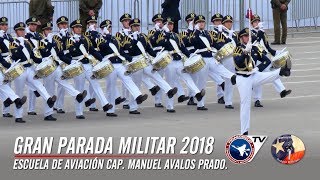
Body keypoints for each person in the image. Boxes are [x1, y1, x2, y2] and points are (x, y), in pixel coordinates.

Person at [233, 28, 291, 135]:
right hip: (242, 79)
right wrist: (245, 52)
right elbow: (238, 63)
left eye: (248, 36)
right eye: (245, 36)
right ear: (241, 38)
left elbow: (266, 60)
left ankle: (282, 71)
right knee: (245, 105)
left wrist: (258, 69)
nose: (247, 38)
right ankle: (244, 131)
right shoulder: (237, 49)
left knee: (269, 75)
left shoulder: (254, 48)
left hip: (253, 75)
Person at [96, 19, 149, 117]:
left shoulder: (114, 38)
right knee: (110, 87)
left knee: (128, 79)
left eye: (110, 27)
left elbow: (120, 51)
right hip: (109, 64)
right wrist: (106, 36)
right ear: (102, 29)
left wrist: (129, 58)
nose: (109, 29)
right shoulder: (99, 38)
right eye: (106, 27)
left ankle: (138, 96)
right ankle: (110, 110)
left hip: (119, 63)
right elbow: (103, 47)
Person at [37, 22, 88, 120]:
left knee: (64, 82)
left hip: (56, 67)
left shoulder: (55, 42)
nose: (49, 31)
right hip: (47, 69)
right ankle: (48, 114)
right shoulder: (41, 42)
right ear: (43, 32)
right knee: (49, 90)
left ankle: (77, 95)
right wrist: (49, 42)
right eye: (47, 30)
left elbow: (61, 55)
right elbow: (44, 53)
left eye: (50, 29)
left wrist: (71, 61)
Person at [65, 19, 113, 119]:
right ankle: (79, 112)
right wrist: (78, 42)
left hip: (87, 64)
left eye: (80, 27)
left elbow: (92, 51)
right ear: (73, 29)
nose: (79, 29)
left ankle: (105, 104)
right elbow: (73, 51)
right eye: (77, 27)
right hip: (77, 64)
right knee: (80, 88)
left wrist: (101, 59)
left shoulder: (85, 39)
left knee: (96, 84)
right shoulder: (70, 39)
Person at [10, 22, 57, 123]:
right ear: (16, 31)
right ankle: (18, 116)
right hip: (20, 69)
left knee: (39, 85)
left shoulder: (27, 42)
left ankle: (49, 100)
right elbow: (15, 56)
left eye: (23, 30)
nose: (22, 32)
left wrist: (41, 61)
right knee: (19, 92)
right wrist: (21, 45)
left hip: (29, 68)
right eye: (20, 30)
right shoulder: (13, 42)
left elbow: (33, 56)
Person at [250, 14, 292, 107]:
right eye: (255, 22)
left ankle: (282, 91)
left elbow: (267, 47)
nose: (257, 23)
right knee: (258, 79)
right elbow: (255, 41)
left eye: (258, 21)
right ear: (251, 24)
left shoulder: (263, 33)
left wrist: (277, 52)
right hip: (256, 58)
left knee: (274, 73)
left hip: (264, 57)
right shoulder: (249, 33)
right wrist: (260, 32)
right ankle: (257, 100)